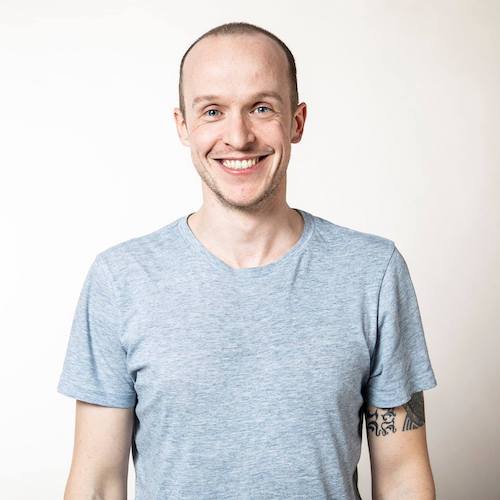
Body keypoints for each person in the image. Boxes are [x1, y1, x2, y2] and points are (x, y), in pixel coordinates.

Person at [57, 21, 437, 500]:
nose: (238, 137)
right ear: (183, 126)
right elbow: (97, 484)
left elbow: (403, 477)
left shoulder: (372, 273)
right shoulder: (121, 280)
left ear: (297, 122)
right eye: (212, 111)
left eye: (261, 108)